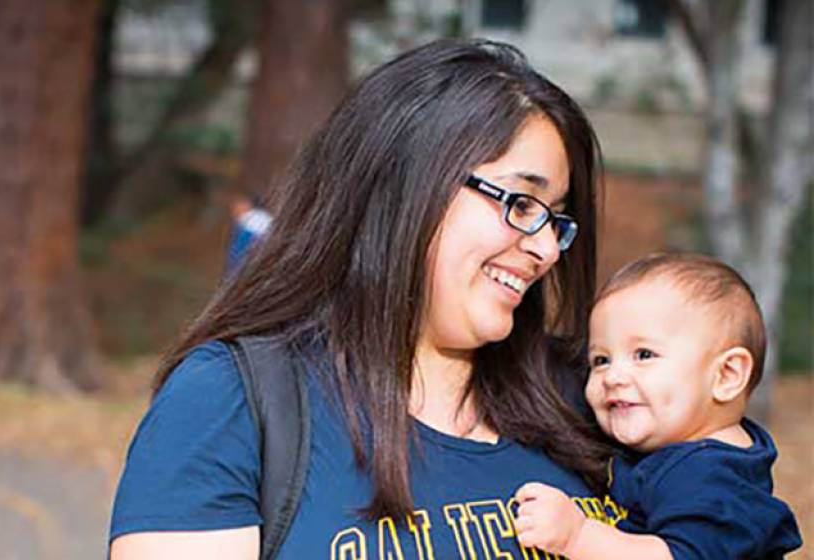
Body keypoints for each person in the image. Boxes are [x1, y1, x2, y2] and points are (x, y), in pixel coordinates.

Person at [109, 39, 613, 559]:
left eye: (555, 217)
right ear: (406, 182)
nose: (548, 247)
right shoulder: (228, 400)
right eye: (522, 202)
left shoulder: (603, 393)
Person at [512, 252, 803, 559]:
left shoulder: (711, 479)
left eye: (644, 354)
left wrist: (579, 537)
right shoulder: (688, 451)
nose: (612, 376)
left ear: (726, 375)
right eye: (600, 360)